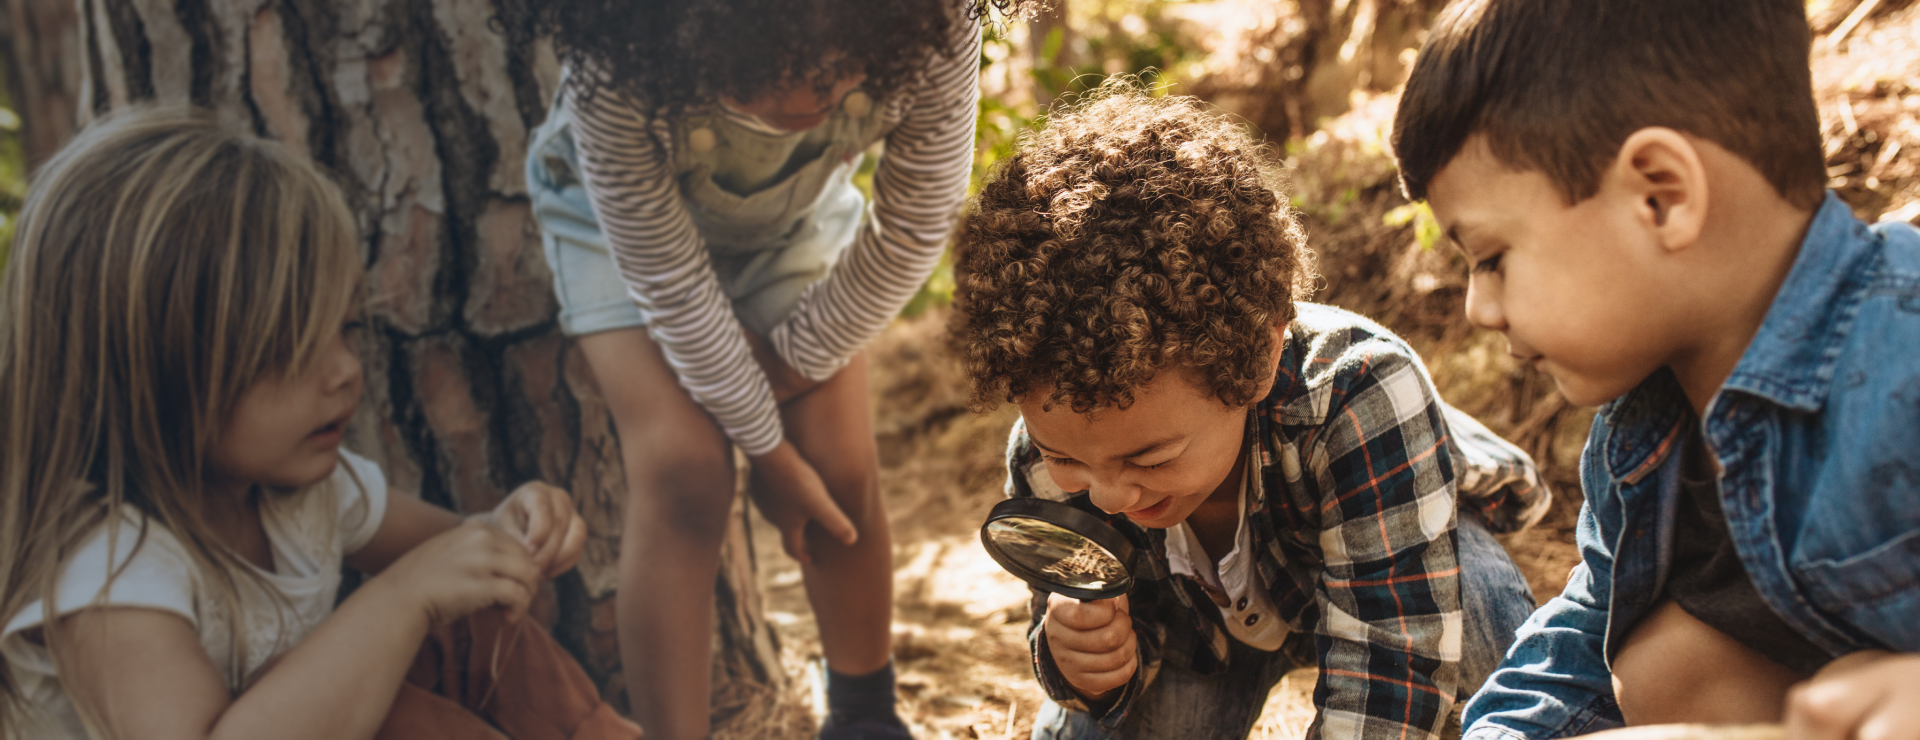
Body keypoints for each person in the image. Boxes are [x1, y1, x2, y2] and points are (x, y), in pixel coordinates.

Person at [0, 108, 641, 740]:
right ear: (144, 371)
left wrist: (515, 529)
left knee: (467, 613)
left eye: (346, 329)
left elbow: (460, 552)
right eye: (289, 348)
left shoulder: (300, 494)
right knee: (376, 687)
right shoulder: (109, 574)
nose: (344, 371)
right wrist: (401, 599)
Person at [949, 87, 1549, 740]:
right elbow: (1084, 654)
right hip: (1199, 641)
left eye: (1149, 457)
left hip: (1384, 574)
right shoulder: (1046, 457)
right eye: (1068, 458)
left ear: (1258, 358)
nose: (1110, 492)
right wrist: (1084, 665)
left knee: (1477, 601)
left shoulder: (1356, 391)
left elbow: (1389, 672)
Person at [1389, 0, 1920, 737]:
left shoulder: (1902, 348)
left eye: (1491, 258)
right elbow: (1579, 643)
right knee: (1661, 665)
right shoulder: (1643, 437)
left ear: (1661, 196)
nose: (1480, 308)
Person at [517, 0, 1017, 737]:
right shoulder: (616, 64)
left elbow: (914, 224)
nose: (807, 102)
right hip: (620, 238)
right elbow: (672, 284)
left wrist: (784, 368)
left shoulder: (933, 22)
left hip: (791, 226)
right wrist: (768, 451)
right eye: (757, 79)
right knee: (686, 470)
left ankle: (864, 718)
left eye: (837, 74)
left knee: (841, 468)